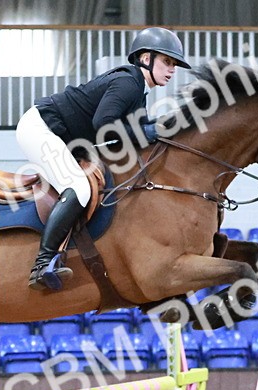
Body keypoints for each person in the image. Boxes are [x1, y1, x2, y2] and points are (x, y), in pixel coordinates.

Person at [15, 27, 190, 291]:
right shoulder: (128, 82)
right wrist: (149, 130)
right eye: (167, 61)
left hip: (65, 136)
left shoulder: (138, 91)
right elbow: (104, 123)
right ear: (145, 58)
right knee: (79, 188)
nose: (172, 69)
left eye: (174, 64)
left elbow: (139, 133)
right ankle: (42, 264)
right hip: (40, 128)